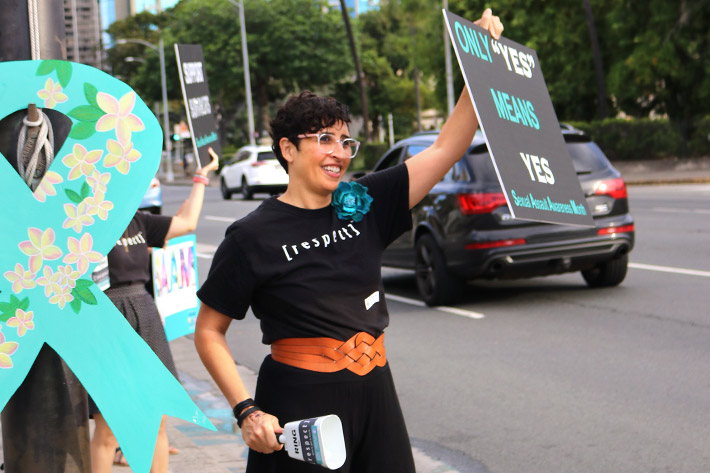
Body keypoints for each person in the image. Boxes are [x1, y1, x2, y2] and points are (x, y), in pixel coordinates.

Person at [194, 10, 503, 472]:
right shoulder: (251, 236)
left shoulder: (364, 201)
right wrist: (247, 410)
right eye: (324, 139)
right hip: (301, 402)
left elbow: (445, 148)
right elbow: (208, 331)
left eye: (344, 141)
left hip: (375, 388)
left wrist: (480, 62)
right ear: (288, 150)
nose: (339, 151)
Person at [90, 148, 220, 473]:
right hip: (106, 321)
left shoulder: (139, 220)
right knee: (108, 429)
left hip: (145, 317)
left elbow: (187, 223)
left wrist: (202, 176)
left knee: (157, 420)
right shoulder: (86, 224)